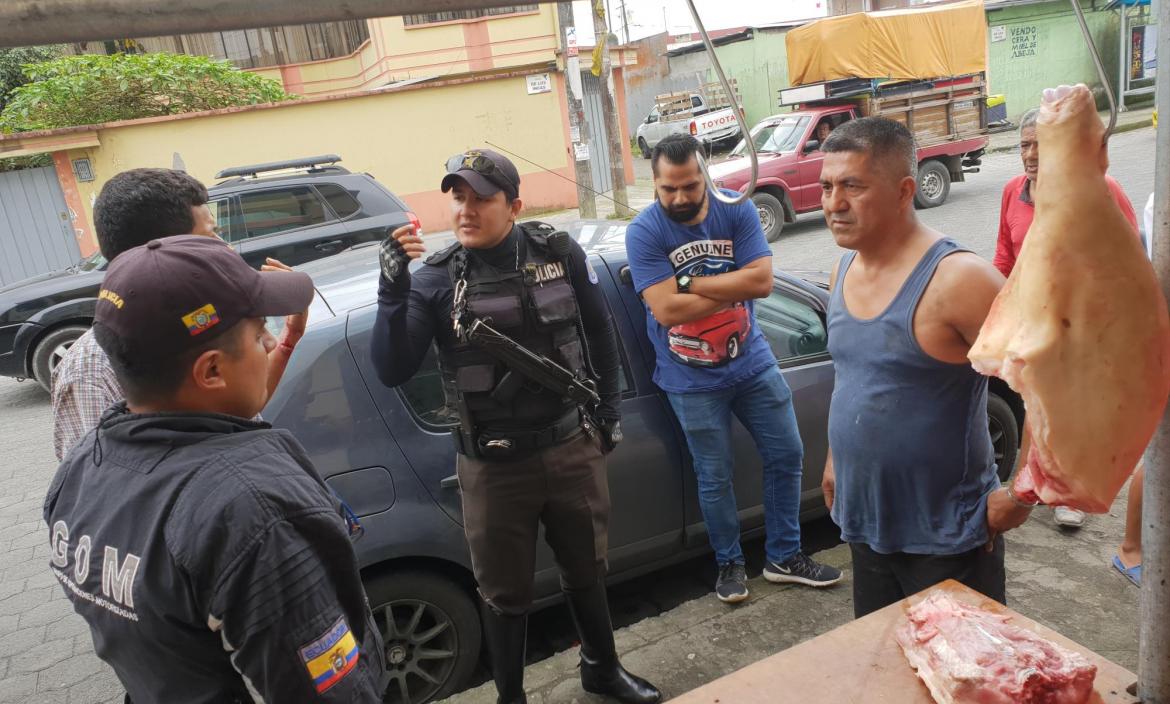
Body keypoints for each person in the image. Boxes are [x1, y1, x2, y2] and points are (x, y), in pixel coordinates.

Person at [370, 149, 660, 704]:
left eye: (482, 197)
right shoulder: (433, 280)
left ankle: (601, 669)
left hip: (571, 445)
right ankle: (511, 698)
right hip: (491, 466)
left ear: (514, 205)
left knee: (587, 569)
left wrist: (608, 414)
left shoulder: (559, 252)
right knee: (504, 594)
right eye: (458, 196)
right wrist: (392, 288)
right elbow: (390, 369)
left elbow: (600, 332)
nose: (466, 209)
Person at [43, 235, 387, 702]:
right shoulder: (253, 510)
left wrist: (285, 344)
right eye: (258, 332)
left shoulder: (82, 467)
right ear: (210, 372)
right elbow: (333, 693)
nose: (270, 340)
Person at [819, 117, 1033, 619]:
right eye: (828, 186)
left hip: (948, 535)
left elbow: (1051, 387)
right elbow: (854, 376)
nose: (833, 203)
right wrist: (835, 458)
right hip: (866, 523)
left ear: (904, 191)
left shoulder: (960, 280)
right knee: (886, 667)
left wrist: (1022, 493)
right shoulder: (842, 268)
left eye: (853, 185)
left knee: (962, 681)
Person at [625, 133, 842, 604]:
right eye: (668, 189)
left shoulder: (737, 210)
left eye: (689, 186)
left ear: (704, 175)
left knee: (787, 453)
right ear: (655, 185)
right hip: (688, 377)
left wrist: (689, 281)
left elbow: (762, 282)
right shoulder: (645, 231)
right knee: (714, 474)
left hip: (752, 361)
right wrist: (725, 283)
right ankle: (729, 564)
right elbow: (665, 311)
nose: (679, 198)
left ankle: (784, 555)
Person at [51, 168, 306, 461]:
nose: (227, 249)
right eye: (211, 236)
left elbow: (242, 410)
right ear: (166, 251)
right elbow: (104, 486)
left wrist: (287, 343)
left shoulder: (206, 324)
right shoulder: (91, 369)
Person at [993, 108, 1139, 530]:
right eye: (1024, 145)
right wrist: (999, 313)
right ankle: (1034, 482)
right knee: (1035, 404)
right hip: (1032, 322)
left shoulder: (1102, 189)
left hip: (1083, 324)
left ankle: (1065, 494)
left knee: (1072, 408)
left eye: (1041, 144)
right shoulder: (1012, 192)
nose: (1031, 154)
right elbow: (1005, 255)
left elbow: (1130, 259)